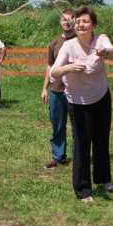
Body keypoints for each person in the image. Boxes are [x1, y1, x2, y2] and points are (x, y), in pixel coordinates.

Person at [50, 7, 113, 204]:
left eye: (85, 21)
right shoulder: (68, 46)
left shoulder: (100, 40)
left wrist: (106, 51)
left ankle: (104, 178)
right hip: (77, 101)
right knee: (81, 143)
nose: (81, 24)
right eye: (78, 21)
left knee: (101, 139)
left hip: (101, 97)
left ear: (93, 25)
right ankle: (83, 190)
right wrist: (69, 68)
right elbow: (54, 72)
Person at [41, 9, 76, 169]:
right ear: (60, 22)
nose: (66, 22)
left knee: (78, 126)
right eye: (63, 19)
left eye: (69, 19)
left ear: (74, 21)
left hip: (76, 91)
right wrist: (45, 88)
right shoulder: (54, 43)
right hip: (57, 90)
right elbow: (49, 66)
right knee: (57, 124)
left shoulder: (80, 41)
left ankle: (79, 158)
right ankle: (58, 157)